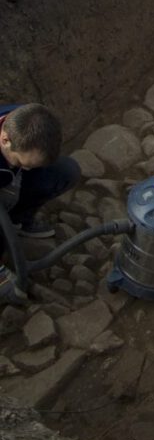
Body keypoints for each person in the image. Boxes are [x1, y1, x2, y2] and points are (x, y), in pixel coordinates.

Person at [0, 103, 80, 304]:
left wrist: (22, 168)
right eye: (21, 163)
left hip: (6, 182)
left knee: (66, 172)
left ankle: (19, 221)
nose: (26, 169)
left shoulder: (26, 121)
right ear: (5, 140)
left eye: (31, 166)